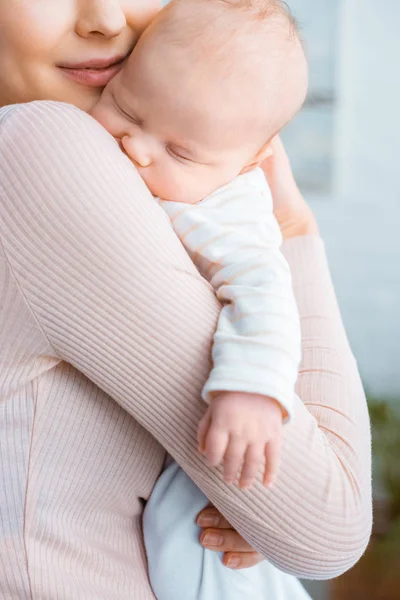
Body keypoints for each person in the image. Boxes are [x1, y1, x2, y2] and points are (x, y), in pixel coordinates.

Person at [0, 1, 372, 599]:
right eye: (125, 110)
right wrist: (296, 231)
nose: (104, 19)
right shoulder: (41, 145)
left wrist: (246, 503)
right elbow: (326, 532)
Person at [91, 1, 307, 597]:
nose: (137, 149)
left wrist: (252, 392)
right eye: (127, 109)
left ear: (251, 164)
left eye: (180, 153)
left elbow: (265, 292)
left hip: (219, 432)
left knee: (202, 552)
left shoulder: (223, 211)